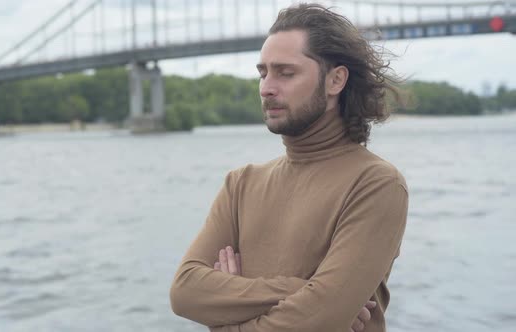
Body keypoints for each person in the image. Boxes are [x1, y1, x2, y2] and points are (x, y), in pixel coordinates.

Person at [170, 3, 408, 332]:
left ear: (335, 80)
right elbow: (185, 292)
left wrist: (228, 310)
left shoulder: (376, 184)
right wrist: (305, 290)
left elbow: (319, 318)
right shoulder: (240, 184)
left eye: (286, 72)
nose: (266, 87)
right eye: (263, 72)